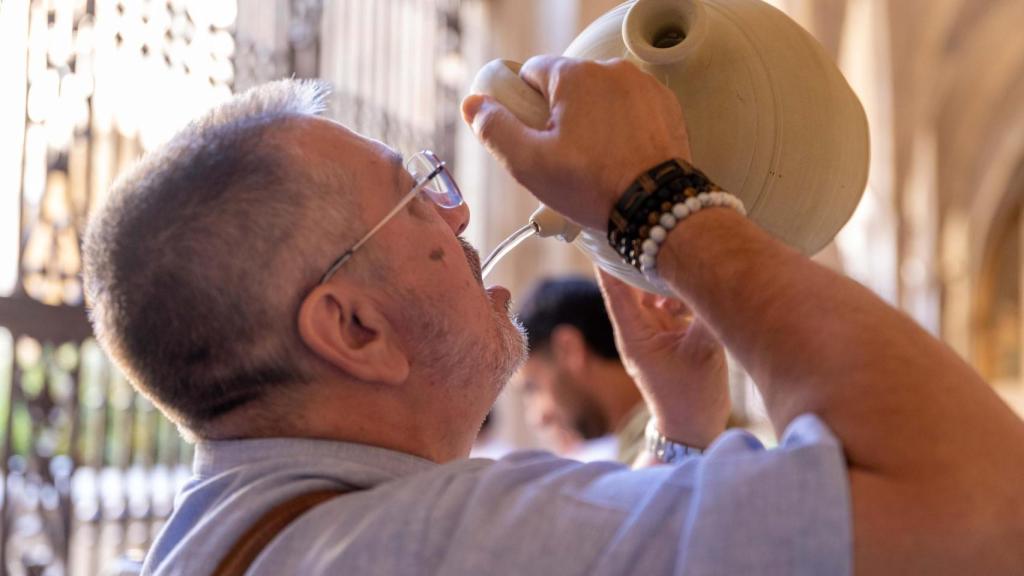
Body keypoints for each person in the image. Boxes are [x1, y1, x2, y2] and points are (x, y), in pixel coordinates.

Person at [81, 57, 1023, 576]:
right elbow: (983, 507)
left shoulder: (276, 533)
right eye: (416, 198)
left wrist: (685, 429)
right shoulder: (430, 541)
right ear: (353, 328)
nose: (456, 211)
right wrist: (661, 204)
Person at [515, 276, 727, 463]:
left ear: (568, 349)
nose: (539, 417)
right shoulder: (636, 448)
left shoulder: (695, 438)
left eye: (533, 388)